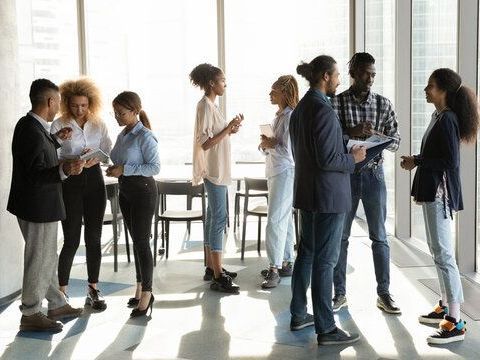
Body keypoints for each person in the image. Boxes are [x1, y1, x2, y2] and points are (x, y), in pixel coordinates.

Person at [289, 55, 366, 345]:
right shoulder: (321, 109)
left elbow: (313, 150)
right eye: (336, 76)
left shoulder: (302, 109)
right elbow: (326, 158)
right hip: (328, 197)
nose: (338, 81)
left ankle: (298, 314)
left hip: (308, 194)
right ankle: (326, 328)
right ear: (324, 76)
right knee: (325, 261)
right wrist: (354, 157)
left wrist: (345, 138)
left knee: (307, 255)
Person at [401, 68, 478, 344]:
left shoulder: (447, 120)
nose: (426, 90)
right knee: (438, 251)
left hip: (439, 194)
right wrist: (418, 159)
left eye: (430, 86)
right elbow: (438, 155)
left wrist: (417, 162)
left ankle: (455, 321)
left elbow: (449, 162)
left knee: (444, 255)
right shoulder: (440, 116)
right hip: (433, 192)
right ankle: (445, 305)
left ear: (444, 91)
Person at [7, 79, 84, 332]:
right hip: (37, 206)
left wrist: (56, 141)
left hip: (40, 204)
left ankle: (56, 303)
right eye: (58, 102)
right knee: (38, 259)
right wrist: (65, 168)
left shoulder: (32, 126)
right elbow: (34, 173)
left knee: (47, 257)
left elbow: (39, 154)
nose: (59, 106)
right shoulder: (31, 129)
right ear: (50, 101)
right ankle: (30, 313)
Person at [331, 52, 401, 314]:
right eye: (365, 73)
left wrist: (374, 135)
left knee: (380, 237)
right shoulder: (336, 103)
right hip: (345, 177)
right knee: (341, 237)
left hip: (374, 176)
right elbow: (332, 140)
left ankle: (384, 293)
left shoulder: (383, 104)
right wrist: (352, 133)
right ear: (353, 72)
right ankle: (339, 294)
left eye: (373, 74)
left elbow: (395, 142)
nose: (370, 78)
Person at [51, 78, 112, 310]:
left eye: (84, 105)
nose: (79, 110)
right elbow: (51, 157)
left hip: (95, 181)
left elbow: (108, 151)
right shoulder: (58, 125)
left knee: (94, 238)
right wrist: (71, 159)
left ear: (91, 104)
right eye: (75, 105)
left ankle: (93, 289)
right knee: (71, 239)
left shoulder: (99, 124)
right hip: (70, 183)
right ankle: (62, 294)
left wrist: (96, 157)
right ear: (67, 103)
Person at [190, 63, 243, 293]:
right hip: (214, 171)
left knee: (214, 218)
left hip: (218, 169)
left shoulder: (212, 106)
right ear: (212, 82)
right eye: (222, 80)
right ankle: (219, 275)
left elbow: (215, 137)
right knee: (219, 218)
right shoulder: (204, 106)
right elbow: (205, 142)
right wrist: (227, 128)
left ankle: (213, 268)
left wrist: (230, 129)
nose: (225, 84)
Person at [106, 91, 160, 317]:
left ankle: (147, 293)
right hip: (126, 191)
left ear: (135, 111)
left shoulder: (145, 136)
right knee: (136, 242)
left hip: (143, 192)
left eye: (121, 113)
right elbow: (117, 157)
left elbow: (155, 167)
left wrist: (125, 169)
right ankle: (139, 289)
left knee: (141, 242)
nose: (117, 117)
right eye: (115, 113)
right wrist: (112, 166)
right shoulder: (123, 134)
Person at [258, 75, 298, 289]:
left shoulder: (290, 117)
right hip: (276, 171)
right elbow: (274, 147)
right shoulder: (278, 117)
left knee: (274, 219)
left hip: (285, 171)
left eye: (273, 91)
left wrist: (272, 143)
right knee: (284, 218)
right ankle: (286, 261)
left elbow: (289, 152)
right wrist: (266, 145)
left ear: (284, 92)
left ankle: (273, 268)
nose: (270, 94)